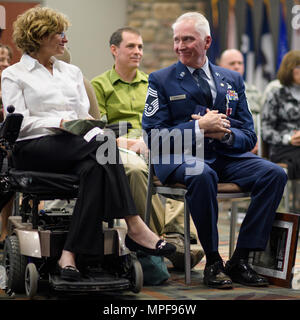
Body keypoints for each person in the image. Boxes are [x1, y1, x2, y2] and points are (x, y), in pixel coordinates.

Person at [1, 6, 175, 281]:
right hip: (34, 147)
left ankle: (68, 255)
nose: (65, 39)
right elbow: (20, 123)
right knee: (103, 143)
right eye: (59, 33)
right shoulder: (14, 75)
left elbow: (84, 115)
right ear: (39, 35)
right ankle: (135, 225)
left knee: (95, 168)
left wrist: (80, 125)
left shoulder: (71, 72)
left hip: (76, 146)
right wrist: (59, 123)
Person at [142, 11, 288, 289]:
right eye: (176, 40)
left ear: (207, 41)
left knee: (274, 174)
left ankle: (241, 259)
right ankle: (212, 261)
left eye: (188, 39)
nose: (180, 46)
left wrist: (226, 135)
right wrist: (198, 128)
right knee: (202, 173)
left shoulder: (232, 79)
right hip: (179, 158)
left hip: (224, 155)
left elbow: (248, 134)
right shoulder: (161, 80)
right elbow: (154, 137)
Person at [91, 27, 203, 271]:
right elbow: (101, 130)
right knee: (139, 169)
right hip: (117, 148)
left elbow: (166, 122)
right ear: (114, 50)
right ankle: (155, 242)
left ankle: (179, 238)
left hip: (154, 143)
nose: (138, 52)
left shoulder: (152, 82)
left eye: (140, 47)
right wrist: (131, 144)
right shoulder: (99, 85)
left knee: (188, 164)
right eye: (131, 46)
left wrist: (153, 142)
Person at [261, 50, 300, 180]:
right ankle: (293, 200)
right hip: (283, 148)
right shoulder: (276, 94)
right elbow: (266, 131)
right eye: (298, 66)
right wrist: (288, 138)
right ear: (289, 69)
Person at [219, 48, 262, 154]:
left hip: (255, 144)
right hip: (229, 143)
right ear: (220, 65)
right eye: (232, 63)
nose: (237, 66)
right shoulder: (216, 91)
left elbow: (264, 121)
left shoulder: (255, 91)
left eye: (240, 63)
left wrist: (257, 142)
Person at [0, 43, 14, 246]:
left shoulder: (11, 84)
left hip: (6, 143)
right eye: (0, 59)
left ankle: (4, 231)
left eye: (7, 59)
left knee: (11, 168)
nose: (5, 64)